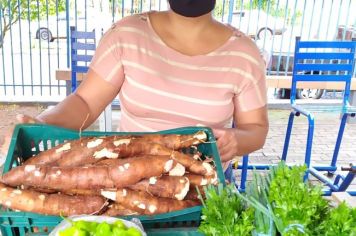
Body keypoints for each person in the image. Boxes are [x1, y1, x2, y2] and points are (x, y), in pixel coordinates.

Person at [1, 0, 268, 184]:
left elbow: (255, 129)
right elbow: (84, 102)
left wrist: (236, 140)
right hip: (128, 180)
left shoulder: (244, 53)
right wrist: (41, 123)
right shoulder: (127, 34)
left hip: (203, 186)